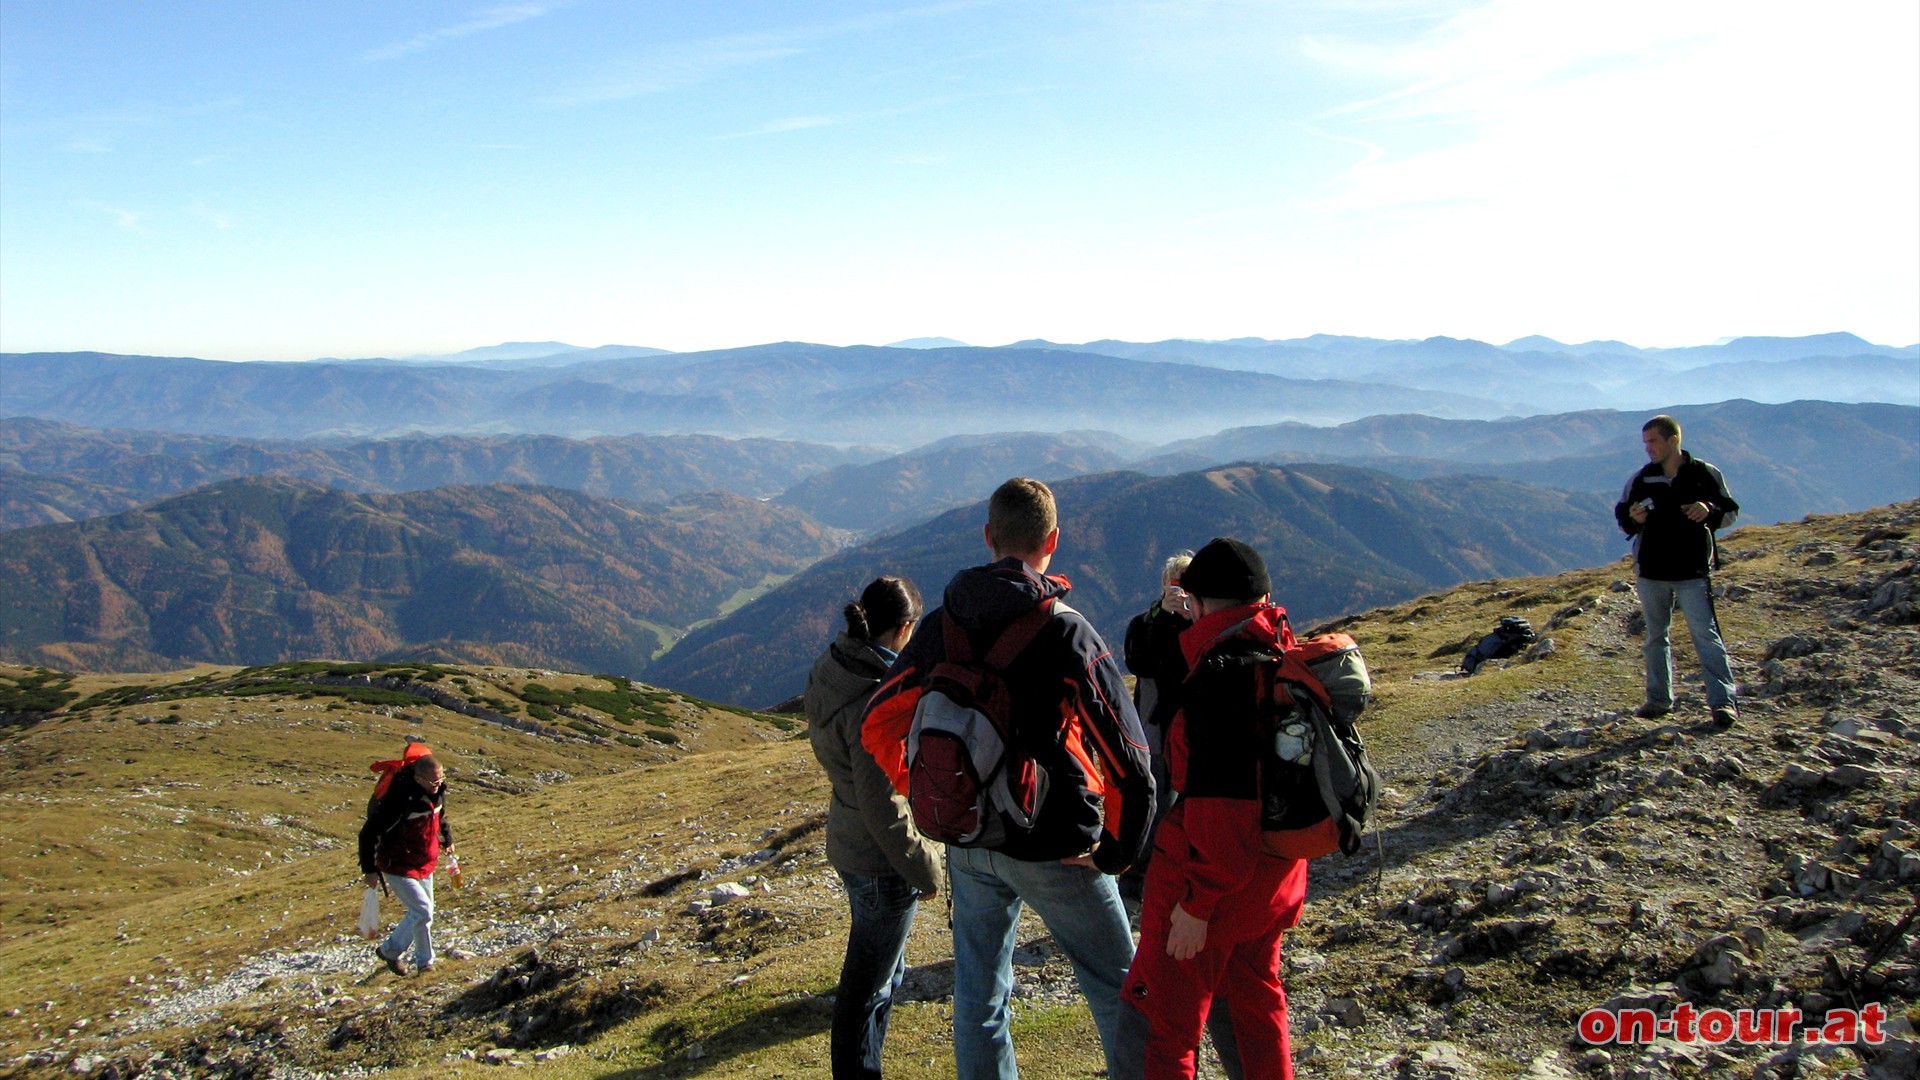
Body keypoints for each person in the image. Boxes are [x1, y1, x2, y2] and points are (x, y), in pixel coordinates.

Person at [862, 477, 1155, 1079]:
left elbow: (876, 723)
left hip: (969, 838)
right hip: (1055, 844)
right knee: (1118, 987)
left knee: (979, 999)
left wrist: (926, 787)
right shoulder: (1065, 629)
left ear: (989, 537)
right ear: (1053, 539)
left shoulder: (944, 623)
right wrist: (1115, 852)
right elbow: (1130, 761)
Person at [1120, 537, 1311, 1080]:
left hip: (1215, 886)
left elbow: (1221, 808)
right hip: (1272, 875)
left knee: (1166, 1026)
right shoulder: (1276, 649)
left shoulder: (1220, 677)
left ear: (1199, 603)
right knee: (1257, 1008)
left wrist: (1196, 904)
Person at [804, 575, 942, 1080]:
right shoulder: (874, 699)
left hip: (848, 838)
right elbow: (882, 802)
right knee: (867, 984)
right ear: (904, 628)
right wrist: (926, 869)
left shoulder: (833, 667)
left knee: (882, 970)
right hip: (879, 859)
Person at [1613, 414, 1741, 725]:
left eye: (1653, 441)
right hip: (1652, 571)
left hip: (1692, 571)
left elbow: (1730, 512)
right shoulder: (1641, 478)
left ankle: (1723, 703)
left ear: (1674, 440)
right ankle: (1658, 700)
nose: (1648, 449)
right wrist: (1635, 519)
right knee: (1656, 636)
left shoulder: (1704, 475)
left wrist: (1708, 511)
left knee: (1705, 636)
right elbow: (1623, 517)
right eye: (1645, 443)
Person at [359, 752, 453, 975]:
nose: (437, 785)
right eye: (433, 781)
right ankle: (425, 963)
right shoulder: (399, 800)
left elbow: (441, 817)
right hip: (397, 865)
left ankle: (392, 952)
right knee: (423, 911)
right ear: (418, 778)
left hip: (425, 861)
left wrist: (447, 839)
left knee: (424, 912)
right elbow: (368, 833)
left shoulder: (438, 792)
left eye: (440, 779)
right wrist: (369, 870)